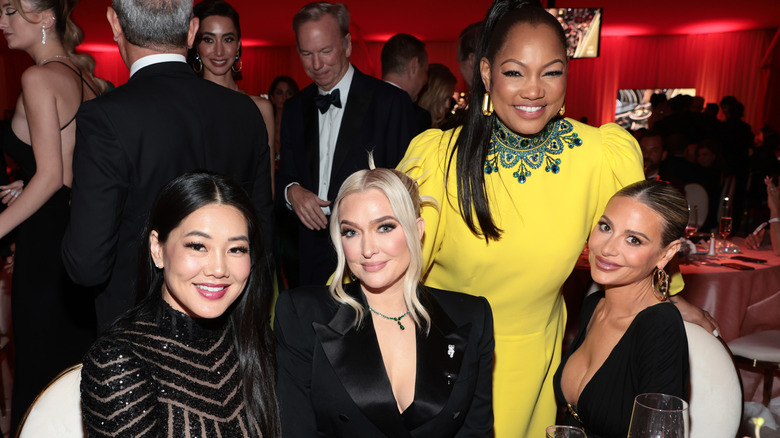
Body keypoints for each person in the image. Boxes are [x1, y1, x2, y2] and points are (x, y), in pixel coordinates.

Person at [398, 1, 716, 436]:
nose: (535, 90)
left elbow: (640, 237)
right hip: (441, 361)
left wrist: (669, 296)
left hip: (533, 361)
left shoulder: (599, 155)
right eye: (515, 72)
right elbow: (391, 266)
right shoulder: (440, 158)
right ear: (487, 74)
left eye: (551, 72)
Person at [62, 0, 274, 333]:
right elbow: (262, 236)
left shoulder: (106, 117)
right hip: (231, 326)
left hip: (139, 335)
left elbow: (87, 265)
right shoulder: (246, 112)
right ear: (192, 30)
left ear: (115, 23)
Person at [275, 164, 494, 437]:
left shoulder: (471, 317)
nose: (368, 250)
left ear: (417, 230)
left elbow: (475, 432)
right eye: (351, 232)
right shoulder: (303, 314)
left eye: (385, 227)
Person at [81, 171, 280, 437]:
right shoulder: (118, 361)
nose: (219, 269)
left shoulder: (253, 338)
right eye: (198, 246)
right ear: (157, 249)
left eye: (236, 249)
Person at [0, 0, 105, 428]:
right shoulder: (93, 80)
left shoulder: (38, 77)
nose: (0, 22)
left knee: (40, 376)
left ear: (45, 18)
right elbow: (82, 174)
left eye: (9, 11)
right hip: (80, 240)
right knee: (73, 380)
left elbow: (49, 176)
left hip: (44, 249)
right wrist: (32, 181)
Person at [277, 2, 416, 286]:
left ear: (347, 45)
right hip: (309, 252)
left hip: (370, 253)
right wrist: (292, 193)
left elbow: (406, 187)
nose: (316, 65)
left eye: (326, 51)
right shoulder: (294, 108)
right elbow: (284, 176)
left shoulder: (390, 103)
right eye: (307, 54)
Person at [553, 180, 689, 438]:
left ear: (666, 254)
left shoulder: (659, 326)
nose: (606, 249)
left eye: (633, 240)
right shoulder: (594, 307)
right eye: (605, 227)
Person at [189, 0, 276, 191]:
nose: (219, 51)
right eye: (209, 39)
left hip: (246, 217)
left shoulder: (261, 108)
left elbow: (266, 188)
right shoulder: (185, 104)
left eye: (227, 39)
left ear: (238, 45)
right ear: (196, 45)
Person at [381, 33, 431, 134]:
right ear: (414, 65)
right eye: (425, 70)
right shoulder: (417, 117)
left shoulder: (360, 106)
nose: (426, 79)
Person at [268, 75, 299, 164]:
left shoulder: (301, 127)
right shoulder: (263, 126)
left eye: (289, 93)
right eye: (279, 92)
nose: (284, 97)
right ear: (272, 97)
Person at [418, 63, 457, 128]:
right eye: (444, 99)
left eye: (450, 98)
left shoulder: (450, 122)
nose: (448, 105)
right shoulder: (416, 122)